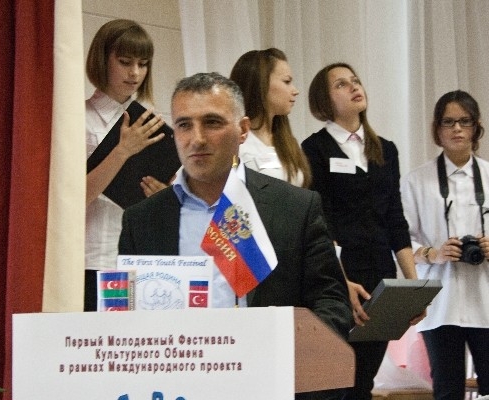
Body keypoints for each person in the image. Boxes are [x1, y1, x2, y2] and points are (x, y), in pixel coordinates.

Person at [118, 71, 351, 349]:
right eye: (184, 125)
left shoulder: (295, 208)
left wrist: (285, 350)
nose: (197, 138)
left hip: (268, 368)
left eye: (212, 123)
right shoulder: (141, 220)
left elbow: (332, 302)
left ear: (243, 130)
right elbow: (127, 318)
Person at [302, 62, 419, 400]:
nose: (354, 87)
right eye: (341, 84)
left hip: (381, 276)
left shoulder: (386, 149)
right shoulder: (314, 149)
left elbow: (396, 220)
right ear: (324, 100)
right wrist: (341, 282)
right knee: (338, 382)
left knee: (364, 382)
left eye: (355, 81)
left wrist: (413, 286)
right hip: (338, 278)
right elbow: (320, 224)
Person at [400, 90, 489, 400]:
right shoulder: (415, 181)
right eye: (448, 122)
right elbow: (400, 242)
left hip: (485, 299)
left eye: (465, 121)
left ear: (476, 127)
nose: (457, 129)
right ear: (437, 129)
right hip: (440, 304)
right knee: (447, 390)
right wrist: (433, 253)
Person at [84, 19, 168, 311]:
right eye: (125, 62)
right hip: (94, 257)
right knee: (97, 337)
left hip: (140, 259)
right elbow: (72, 199)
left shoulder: (149, 120)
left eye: (143, 64)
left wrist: (161, 193)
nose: (135, 73)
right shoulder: (82, 119)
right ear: (102, 60)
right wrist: (122, 151)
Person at [230, 48, 312, 187]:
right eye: (286, 81)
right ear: (260, 84)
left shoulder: (287, 140)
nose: (295, 91)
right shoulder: (234, 143)